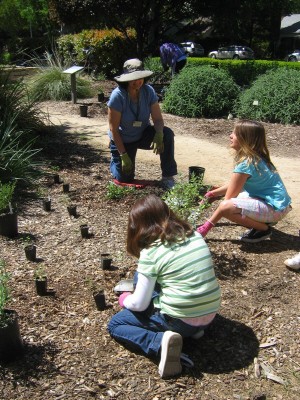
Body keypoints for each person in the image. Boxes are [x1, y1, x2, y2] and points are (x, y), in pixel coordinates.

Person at [107, 194, 221, 378]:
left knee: (116, 324)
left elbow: (139, 305)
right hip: (209, 314)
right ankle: (195, 331)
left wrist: (125, 299)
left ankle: (161, 342)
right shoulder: (194, 235)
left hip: (181, 321)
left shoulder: (151, 252)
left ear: (138, 227)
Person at [197, 120, 292, 243]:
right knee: (237, 200)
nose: (230, 136)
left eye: (235, 134)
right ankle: (264, 221)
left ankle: (264, 228)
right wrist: (212, 194)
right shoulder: (256, 158)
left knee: (227, 206)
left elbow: (227, 201)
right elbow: (235, 185)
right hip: (278, 205)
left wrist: (206, 226)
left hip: (275, 209)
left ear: (246, 139)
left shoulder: (246, 164)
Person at [107, 58, 177, 189]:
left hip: (142, 134)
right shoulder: (118, 96)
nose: (137, 82)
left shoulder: (148, 91)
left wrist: (159, 133)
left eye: (140, 78)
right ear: (126, 79)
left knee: (167, 134)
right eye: (133, 78)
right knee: (125, 177)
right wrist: (123, 155)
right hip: (124, 140)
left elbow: (158, 119)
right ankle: (115, 158)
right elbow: (114, 130)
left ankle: (168, 176)